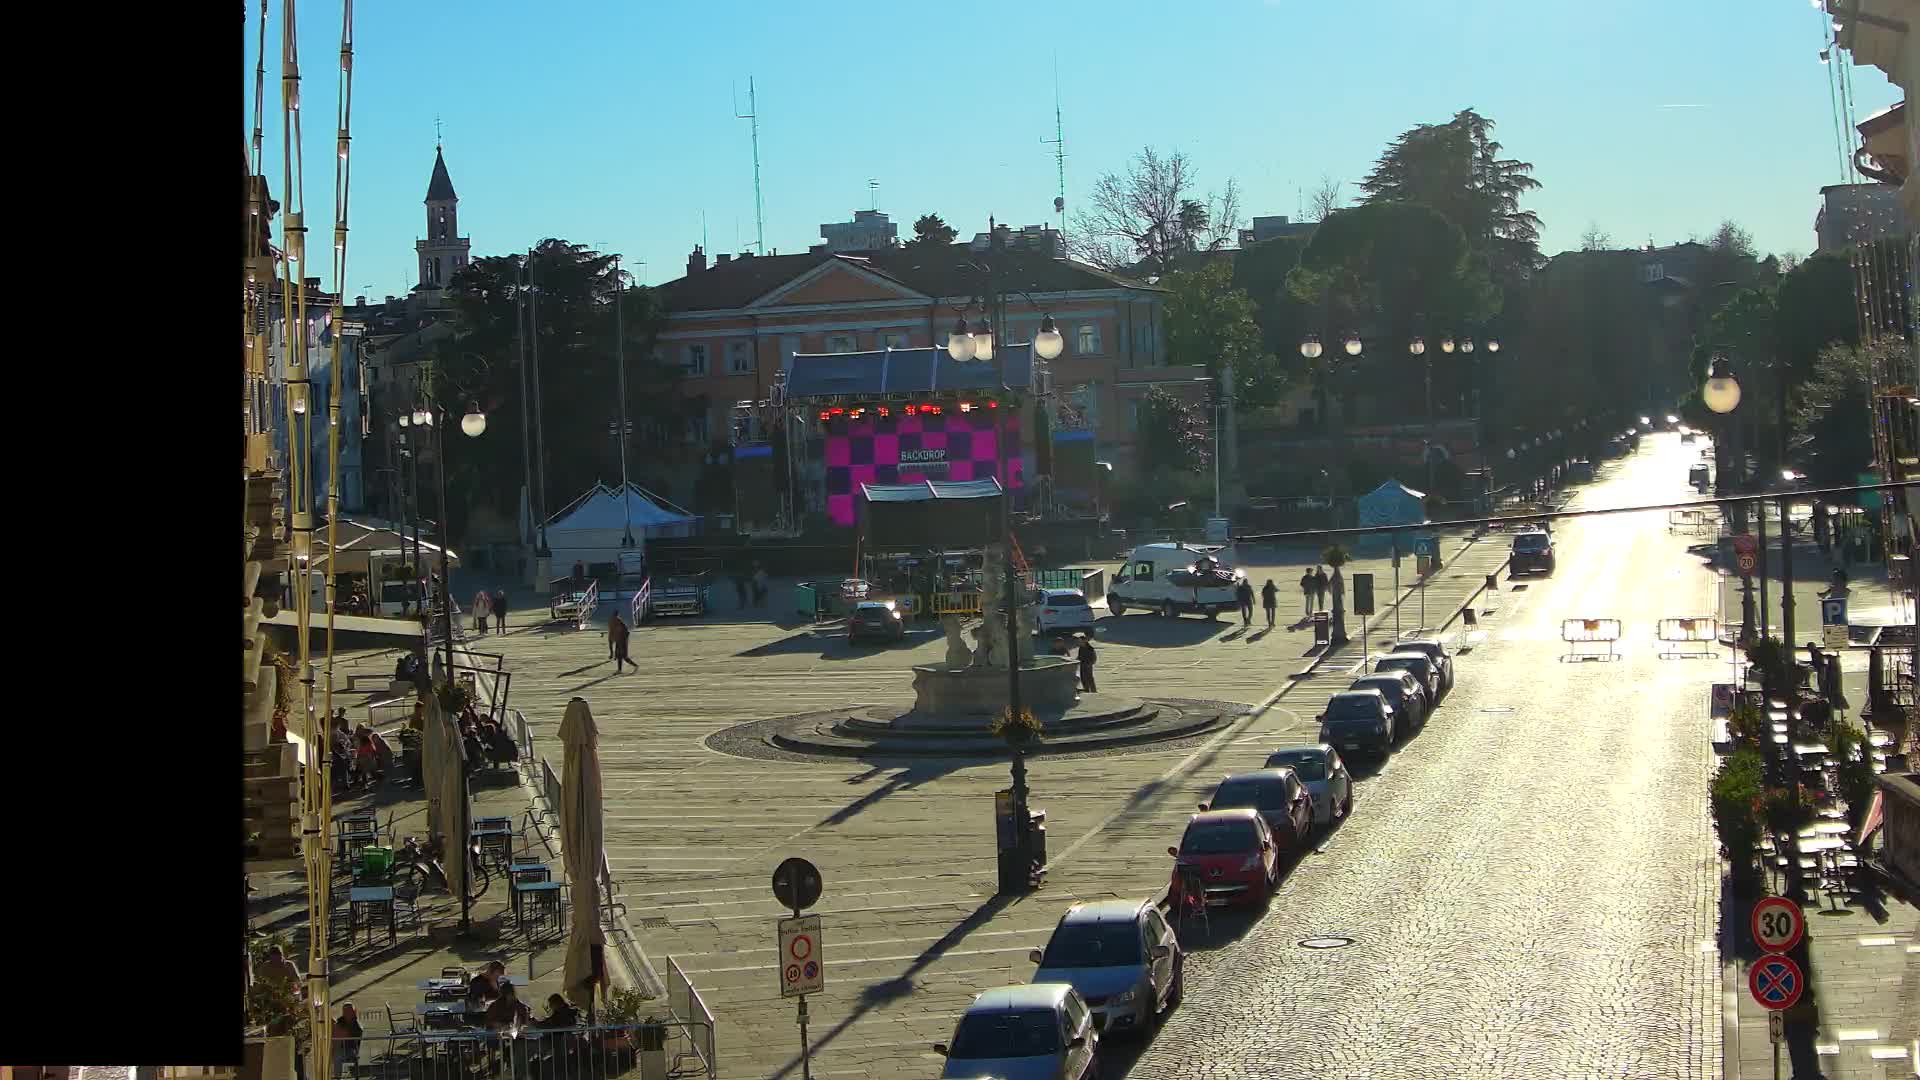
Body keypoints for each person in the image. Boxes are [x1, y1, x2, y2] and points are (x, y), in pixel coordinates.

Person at [332, 1003, 363, 1079]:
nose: (346, 1013)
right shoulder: (342, 1020)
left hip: (350, 1050)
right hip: (340, 1047)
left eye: (348, 1011)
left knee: (337, 1056)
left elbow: (356, 1036)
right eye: (345, 1011)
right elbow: (337, 1027)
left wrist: (344, 1032)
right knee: (334, 1053)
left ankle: (337, 1077)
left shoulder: (355, 1024)